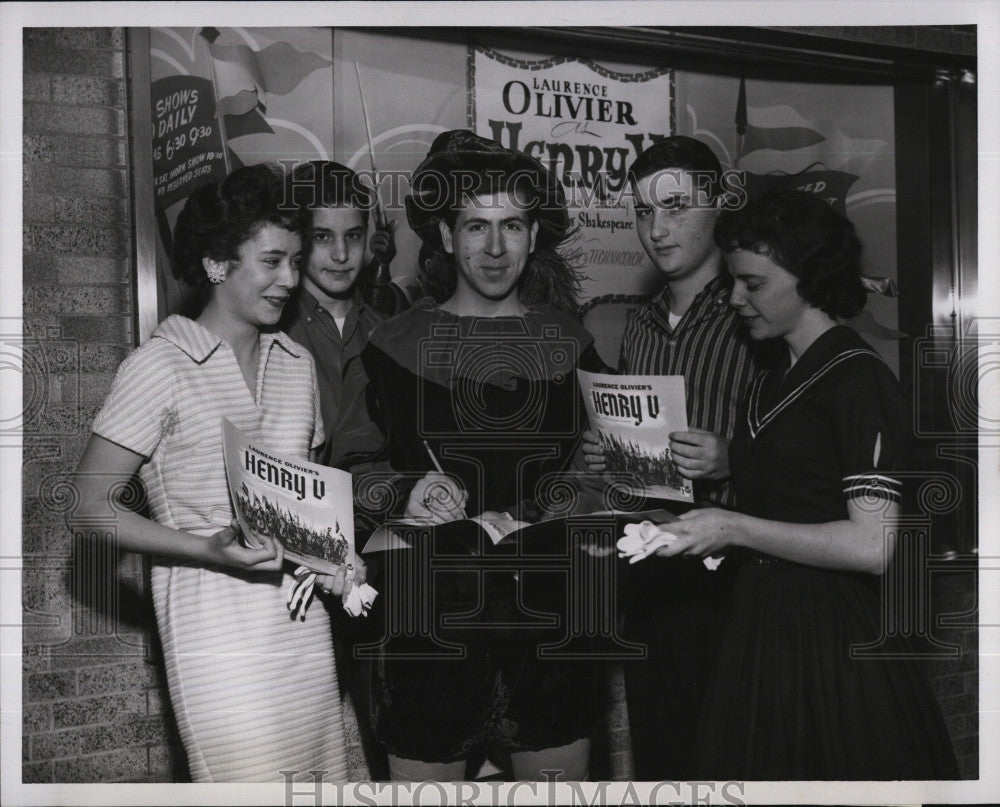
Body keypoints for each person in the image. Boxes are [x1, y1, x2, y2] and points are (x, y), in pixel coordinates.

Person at [624, 189, 959, 779]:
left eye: (753, 284)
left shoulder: (858, 380)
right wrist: (695, 529)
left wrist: (733, 526)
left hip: (829, 638)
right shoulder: (770, 378)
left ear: (809, 280)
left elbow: (873, 547)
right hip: (756, 622)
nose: (735, 298)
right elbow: (785, 497)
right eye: (733, 281)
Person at [70, 165, 362, 783]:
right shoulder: (160, 365)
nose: (292, 278)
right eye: (273, 260)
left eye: (296, 259)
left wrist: (337, 559)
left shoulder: (297, 364)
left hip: (302, 629)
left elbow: (298, 506)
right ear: (215, 264)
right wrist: (206, 548)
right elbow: (87, 508)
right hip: (214, 634)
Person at [359, 129, 604, 781]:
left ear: (533, 236)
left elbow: (612, 470)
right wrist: (404, 489)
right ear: (444, 235)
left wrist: (573, 493)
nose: (496, 248)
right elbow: (348, 473)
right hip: (427, 632)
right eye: (475, 226)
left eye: (513, 226)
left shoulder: (572, 344)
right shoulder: (391, 347)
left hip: (555, 627)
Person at [581, 136, 766, 779]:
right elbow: (640, 463)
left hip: (741, 574)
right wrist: (610, 454)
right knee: (664, 755)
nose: (656, 229)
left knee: (739, 756)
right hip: (654, 569)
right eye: (642, 210)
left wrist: (733, 458)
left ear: (717, 204)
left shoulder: (755, 308)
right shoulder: (639, 321)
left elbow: (812, 448)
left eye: (676, 207)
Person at [280, 160, 395, 471]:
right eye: (323, 237)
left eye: (354, 236)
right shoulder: (270, 335)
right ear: (296, 238)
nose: (342, 255)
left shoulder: (389, 336)